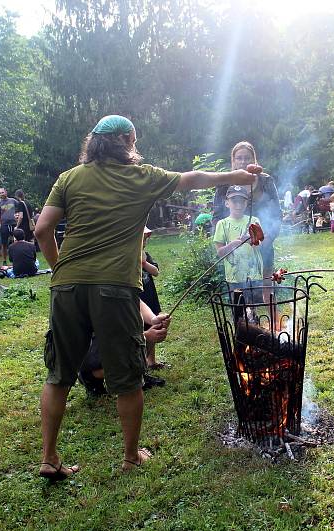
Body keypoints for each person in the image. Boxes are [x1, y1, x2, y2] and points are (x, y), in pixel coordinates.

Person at [33, 114, 258, 479]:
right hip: (115, 287)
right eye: (133, 140)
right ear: (125, 142)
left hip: (67, 286)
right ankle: (130, 456)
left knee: (59, 375)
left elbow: (43, 229)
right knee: (127, 376)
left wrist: (60, 269)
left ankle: (48, 457)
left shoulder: (68, 179)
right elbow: (191, 179)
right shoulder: (141, 178)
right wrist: (236, 176)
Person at [227, 142, 281, 290]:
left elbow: (277, 212)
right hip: (237, 242)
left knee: (266, 277)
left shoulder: (266, 180)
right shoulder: (227, 181)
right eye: (239, 158)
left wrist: (269, 238)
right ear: (234, 160)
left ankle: (269, 306)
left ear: (254, 159)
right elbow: (217, 216)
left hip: (264, 238)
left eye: (247, 158)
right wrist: (225, 242)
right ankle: (248, 310)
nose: (243, 162)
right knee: (241, 281)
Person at [212, 185, 263, 302]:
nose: (238, 205)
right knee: (238, 312)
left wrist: (252, 240)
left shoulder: (254, 221)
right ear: (227, 203)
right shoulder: (222, 224)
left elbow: (261, 246)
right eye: (234, 201)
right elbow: (220, 253)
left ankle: (252, 320)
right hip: (235, 277)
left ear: (246, 203)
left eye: (242, 201)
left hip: (254, 275)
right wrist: (233, 244)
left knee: (253, 310)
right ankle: (239, 320)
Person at [140, 226, 166, 386]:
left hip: (149, 299)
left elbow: (155, 271)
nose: (143, 242)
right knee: (141, 329)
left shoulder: (145, 255)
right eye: (141, 239)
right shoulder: (126, 256)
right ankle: (141, 362)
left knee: (153, 326)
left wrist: (144, 263)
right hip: (137, 300)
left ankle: (151, 360)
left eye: (145, 239)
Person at [0, 187, 19, 266]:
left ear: (6, 192)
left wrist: (18, 218)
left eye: (2, 192)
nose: (1, 194)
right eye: (0, 193)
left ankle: (16, 258)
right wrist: (0, 225)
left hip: (14, 224)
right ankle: (4, 260)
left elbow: (19, 209)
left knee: (16, 241)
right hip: (4, 225)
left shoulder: (13, 201)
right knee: (4, 244)